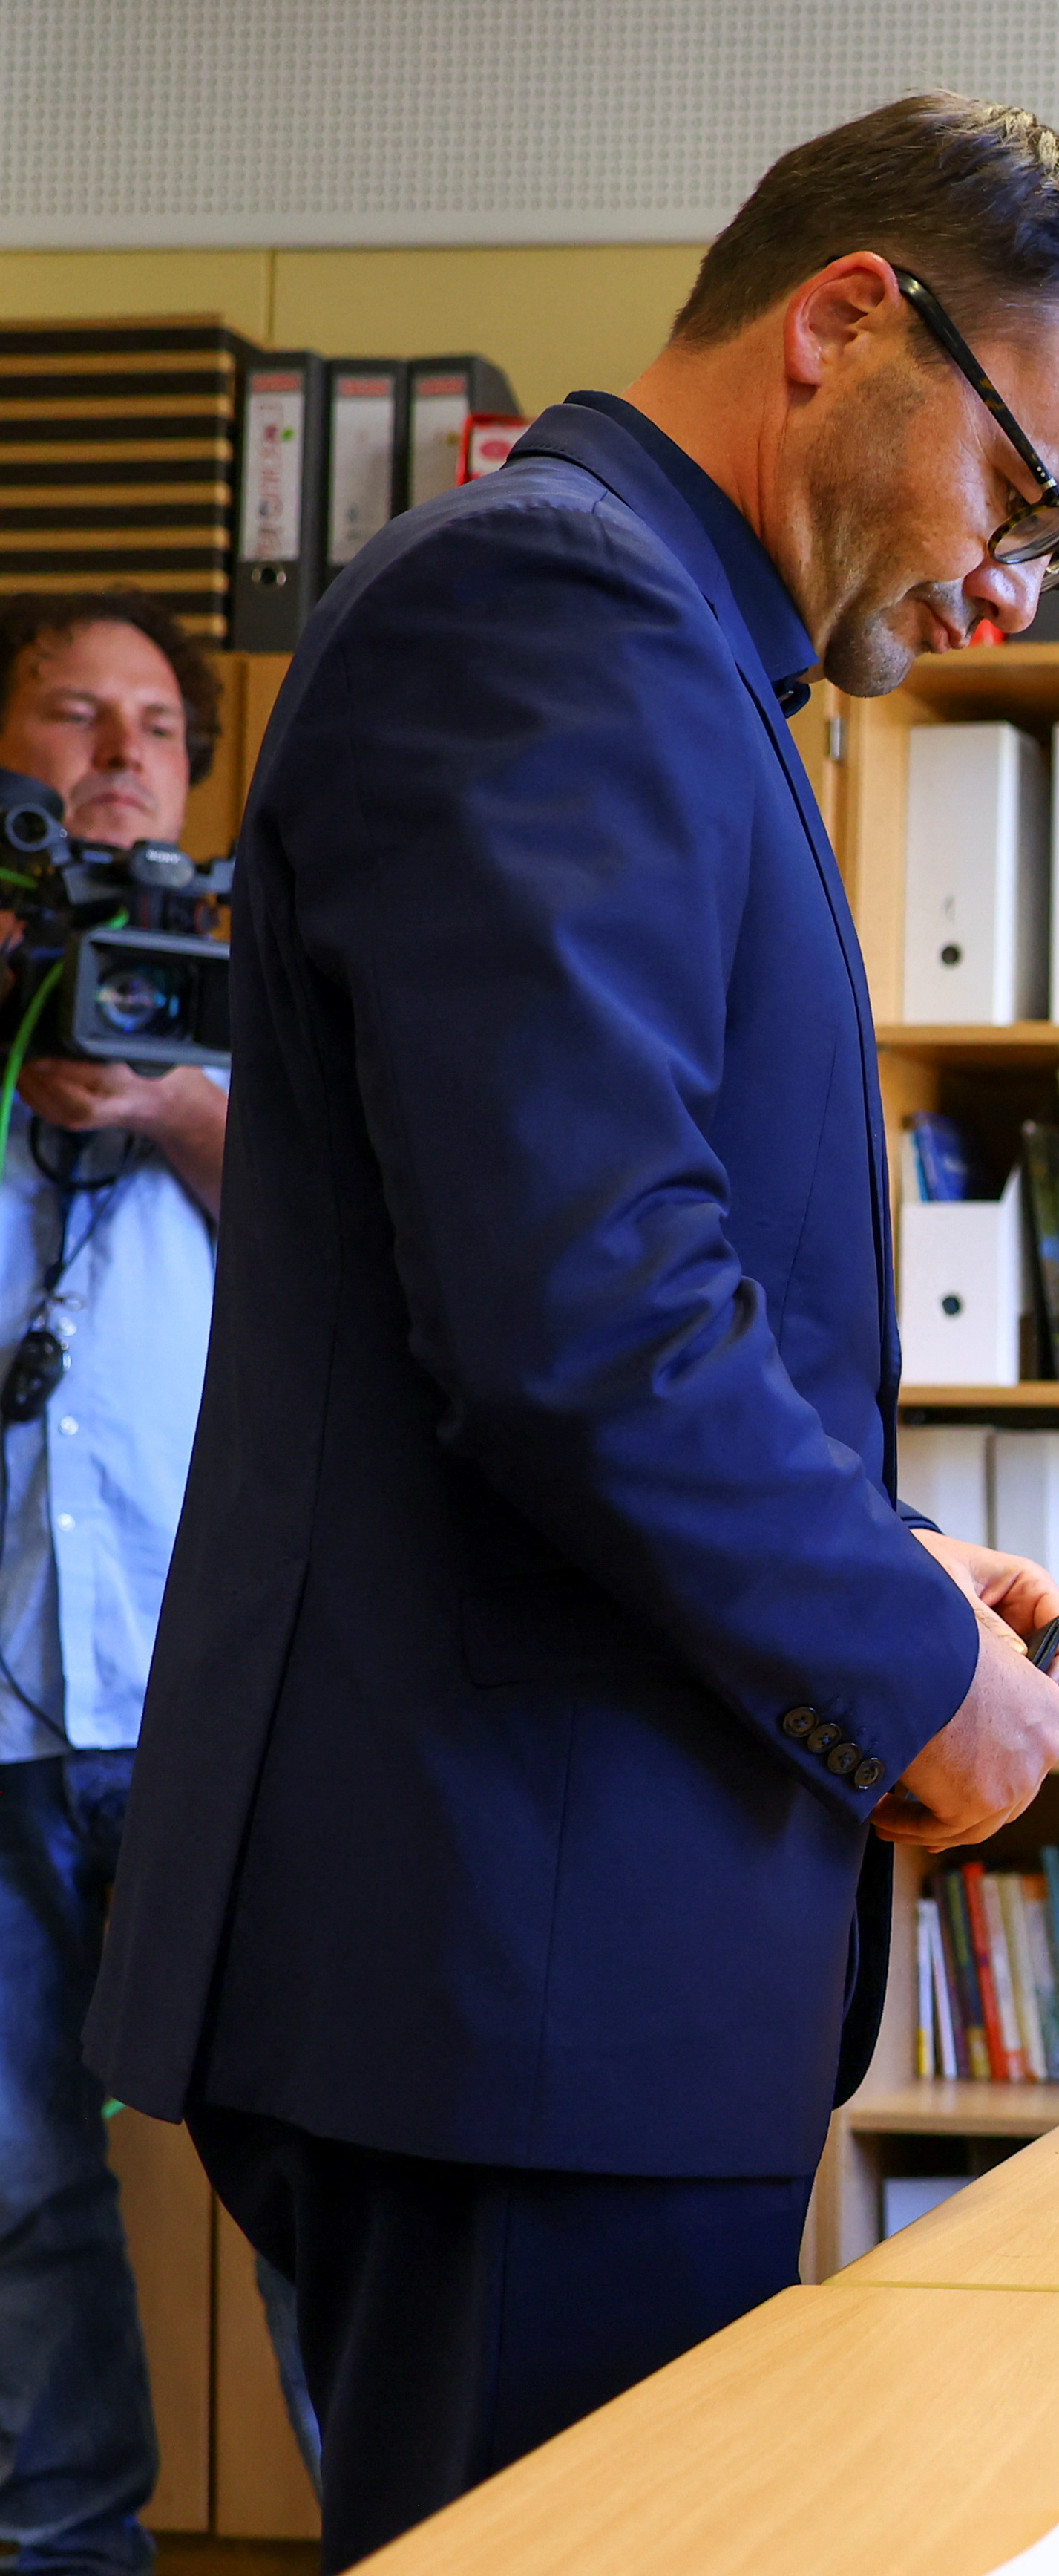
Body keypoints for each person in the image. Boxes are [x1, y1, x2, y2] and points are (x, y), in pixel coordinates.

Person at [85, 96, 1059, 2566]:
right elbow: (583, 1321)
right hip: (511, 1983)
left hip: (561, 1969)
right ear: (846, 326)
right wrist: (915, 1681)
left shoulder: (670, 651)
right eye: (1021, 504)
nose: (1015, 593)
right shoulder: (555, 616)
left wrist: (901, 1570)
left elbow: (602, 1285)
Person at [0, 591, 266, 2576]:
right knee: (16, 2196)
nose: (115, 757)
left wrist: (176, 1099)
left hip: (219, 1710)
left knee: (319, 2169)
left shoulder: (286, 1002)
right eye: (72, 718)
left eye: (157, 726)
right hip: (3, 1710)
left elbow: (387, 1275)